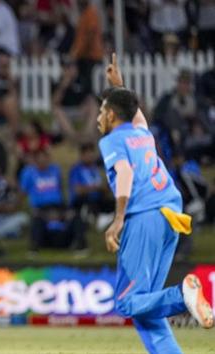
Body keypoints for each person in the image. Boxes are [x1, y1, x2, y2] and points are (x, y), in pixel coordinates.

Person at [97, 53, 213, 354]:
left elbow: (124, 172)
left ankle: (181, 295)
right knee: (144, 306)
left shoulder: (112, 140)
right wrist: (120, 86)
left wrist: (119, 218)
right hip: (171, 214)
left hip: (144, 216)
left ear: (111, 116)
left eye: (102, 111)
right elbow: (136, 113)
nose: (98, 117)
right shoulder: (140, 133)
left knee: (125, 302)